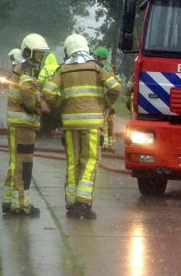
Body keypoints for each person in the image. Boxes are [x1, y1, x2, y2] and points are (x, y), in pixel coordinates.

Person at [43, 34, 120, 219]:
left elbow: (48, 93)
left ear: (68, 50)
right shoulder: (96, 67)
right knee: (90, 161)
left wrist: (60, 107)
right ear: (86, 47)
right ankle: (83, 203)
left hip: (69, 124)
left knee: (73, 162)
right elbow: (115, 88)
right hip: (92, 124)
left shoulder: (63, 69)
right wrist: (105, 105)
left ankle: (71, 204)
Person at [3, 33, 50, 216]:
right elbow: (27, 92)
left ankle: (9, 201)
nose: (40, 56)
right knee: (23, 166)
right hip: (23, 124)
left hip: (19, 123)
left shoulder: (22, 67)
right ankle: (21, 206)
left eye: (41, 53)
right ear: (29, 52)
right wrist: (40, 106)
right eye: (38, 53)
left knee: (15, 164)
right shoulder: (27, 68)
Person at [93, 45, 120, 152]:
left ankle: (103, 145)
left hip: (103, 98)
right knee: (111, 122)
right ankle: (111, 145)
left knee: (102, 122)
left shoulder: (98, 67)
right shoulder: (113, 67)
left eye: (96, 56)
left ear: (99, 57)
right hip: (112, 98)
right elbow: (118, 82)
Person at [37, 53, 61, 137]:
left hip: (47, 94)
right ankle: (54, 127)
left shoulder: (45, 68)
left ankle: (45, 130)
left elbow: (40, 81)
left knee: (44, 112)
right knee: (56, 112)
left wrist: (40, 90)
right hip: (59, 95)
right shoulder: (59, 68)